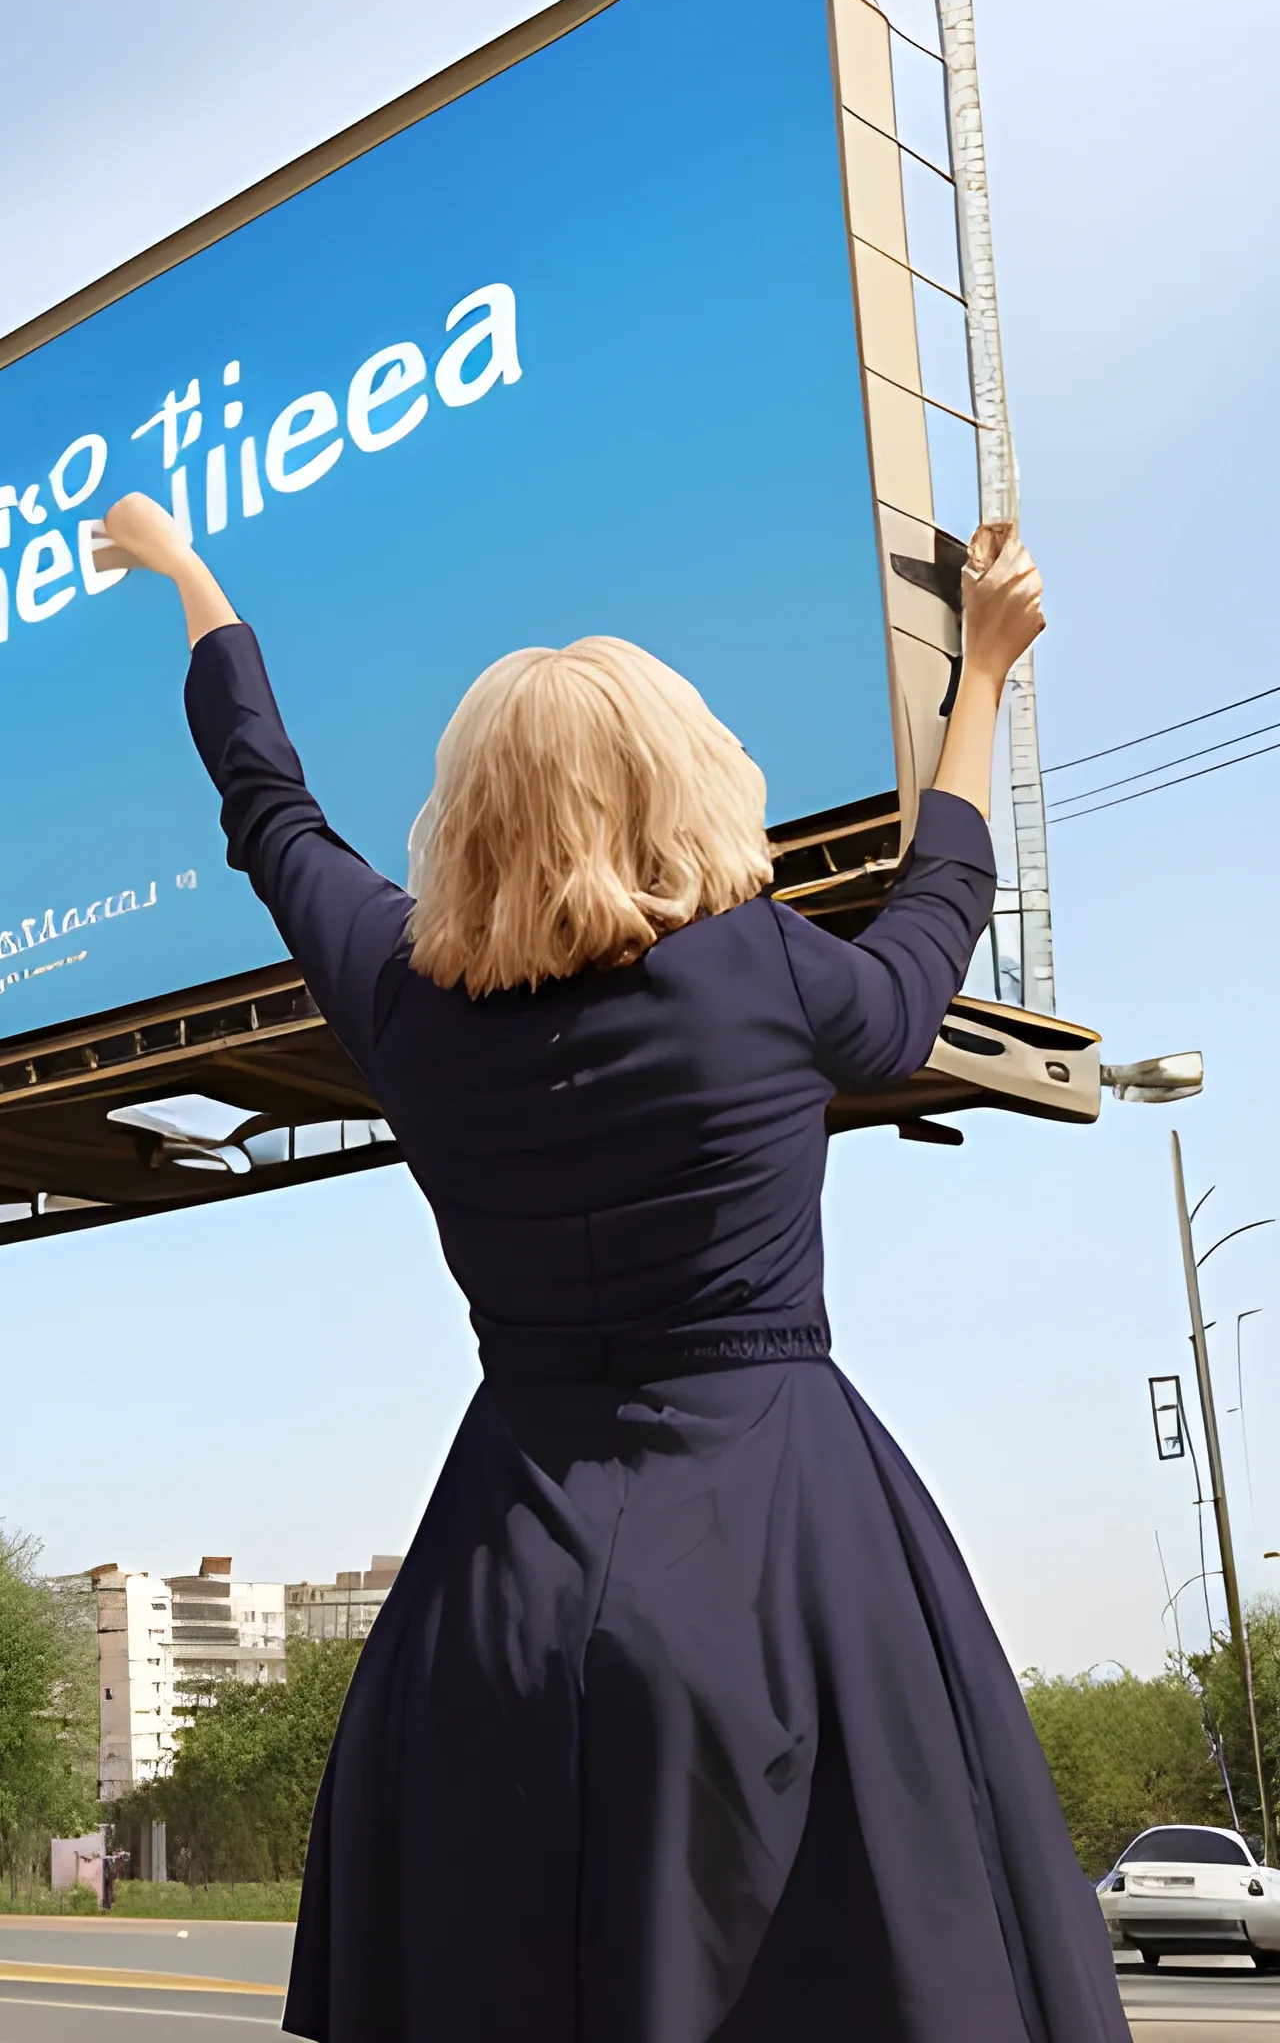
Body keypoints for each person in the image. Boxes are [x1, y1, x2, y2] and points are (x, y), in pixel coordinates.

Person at [99, 491, 1127, 2042]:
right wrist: (981, 674)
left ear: (468, 819)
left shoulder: (408, 1004)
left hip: (494, 1602)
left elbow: (271, 808)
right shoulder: (767, 974)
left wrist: (189, 574)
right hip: (785, 1561)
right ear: (688, 782)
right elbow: (937, 918)